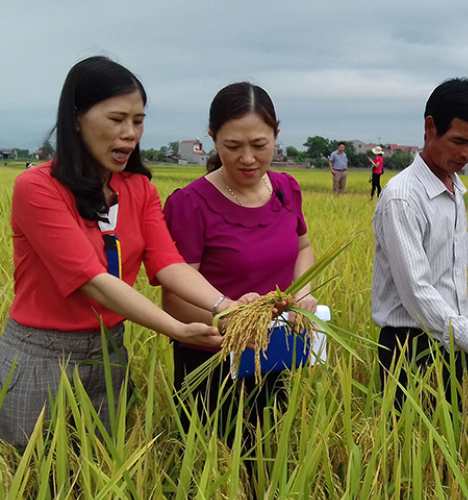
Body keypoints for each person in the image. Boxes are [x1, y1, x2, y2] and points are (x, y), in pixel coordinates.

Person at [0, 56, 248, 449]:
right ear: (77, 118)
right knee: (34, 480)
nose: (130, 133)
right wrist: (177, 329)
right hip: (40, 359)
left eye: (138, 120)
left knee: (99, 471)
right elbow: (92, 280)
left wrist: (227, 306)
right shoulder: (38, 187)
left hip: (109, 351)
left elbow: (168, 262)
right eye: (117, 119)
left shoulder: (138, 188)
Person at [162, 82, 317, 438]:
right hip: (211, 358)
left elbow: (304, 247)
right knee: (214, 465)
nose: (247, 158)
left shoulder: (285, 189)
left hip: (275, 350)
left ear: (276, 135)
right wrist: (230, 322)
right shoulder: (190, 204)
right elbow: (173, 299)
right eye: (232, 146)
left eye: (259, 145)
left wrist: (303, 292)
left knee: (269, 456)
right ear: (214, 139)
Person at [372, 78, 468, 412]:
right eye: (460, 141)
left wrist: (465, 340)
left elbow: (448, 279)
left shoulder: (454, 191)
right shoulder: (403, 197)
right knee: (408, 454)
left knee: (450, 446)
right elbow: (417, 291)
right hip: (409, 348)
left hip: (453, 342)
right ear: (430, 127)